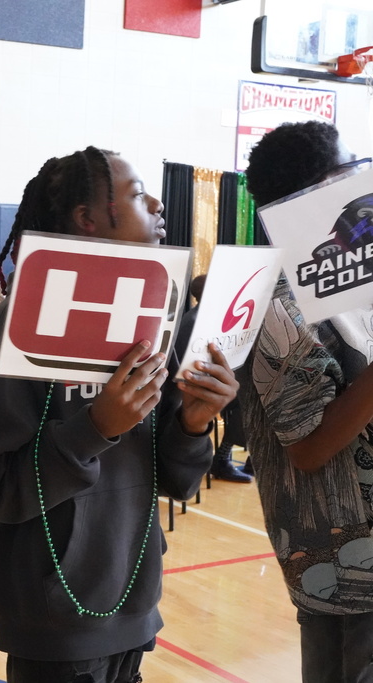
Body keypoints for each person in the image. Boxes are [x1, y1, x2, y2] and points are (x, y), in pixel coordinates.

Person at [0, 146, 239, 683]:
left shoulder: (150, 326)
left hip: (134, 606)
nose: (160, 204)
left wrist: (193, 422)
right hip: (53, 622)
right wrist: (95, 429)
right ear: (87, 219)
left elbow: (175, 484)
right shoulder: (17, 328)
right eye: (138, 194)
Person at [239, 121, 373, 683]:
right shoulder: (277, 296)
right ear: (318, 190)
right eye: (348, 168)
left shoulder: (351, 277)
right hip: (346, 566)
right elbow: (309, 449)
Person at [174, 274, 252, 483]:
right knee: (248, 402)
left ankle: (246, 457)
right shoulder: (197, 322)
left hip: (206, 382)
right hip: (190, 389)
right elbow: (190, 365)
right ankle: (223, 459)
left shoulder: (207, 318)